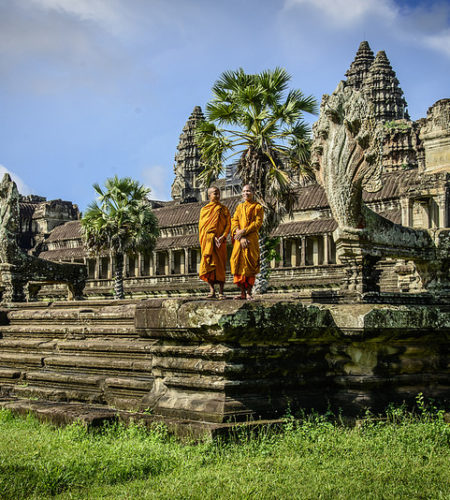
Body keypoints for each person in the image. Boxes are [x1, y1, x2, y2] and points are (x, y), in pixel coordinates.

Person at [230, 184, 264, 300]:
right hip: (240, 240)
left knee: (250, 265)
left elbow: (257, 223)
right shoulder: (239, 208)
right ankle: (242, 293)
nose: (246, 193)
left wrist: (244, 231)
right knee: (237, 264)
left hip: (251, 240)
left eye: (248, 191)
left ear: (253, 192)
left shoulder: (258, 207)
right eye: (244, 191)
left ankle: (249, 292)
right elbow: (234, 221)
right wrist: (239, 234)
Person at [198, 186, 231, 299]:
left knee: (220, 266)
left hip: (220, 242)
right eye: (214, 193)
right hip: (209, 242)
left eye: (218, 193)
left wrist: (223, 236)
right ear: (209, 195)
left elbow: (228, 225)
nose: (217, 195)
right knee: (208, 265)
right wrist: (211, 238)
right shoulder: (204, 210)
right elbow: (202, 228)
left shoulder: (224, 209)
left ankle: (221, 291)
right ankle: (212, 290)